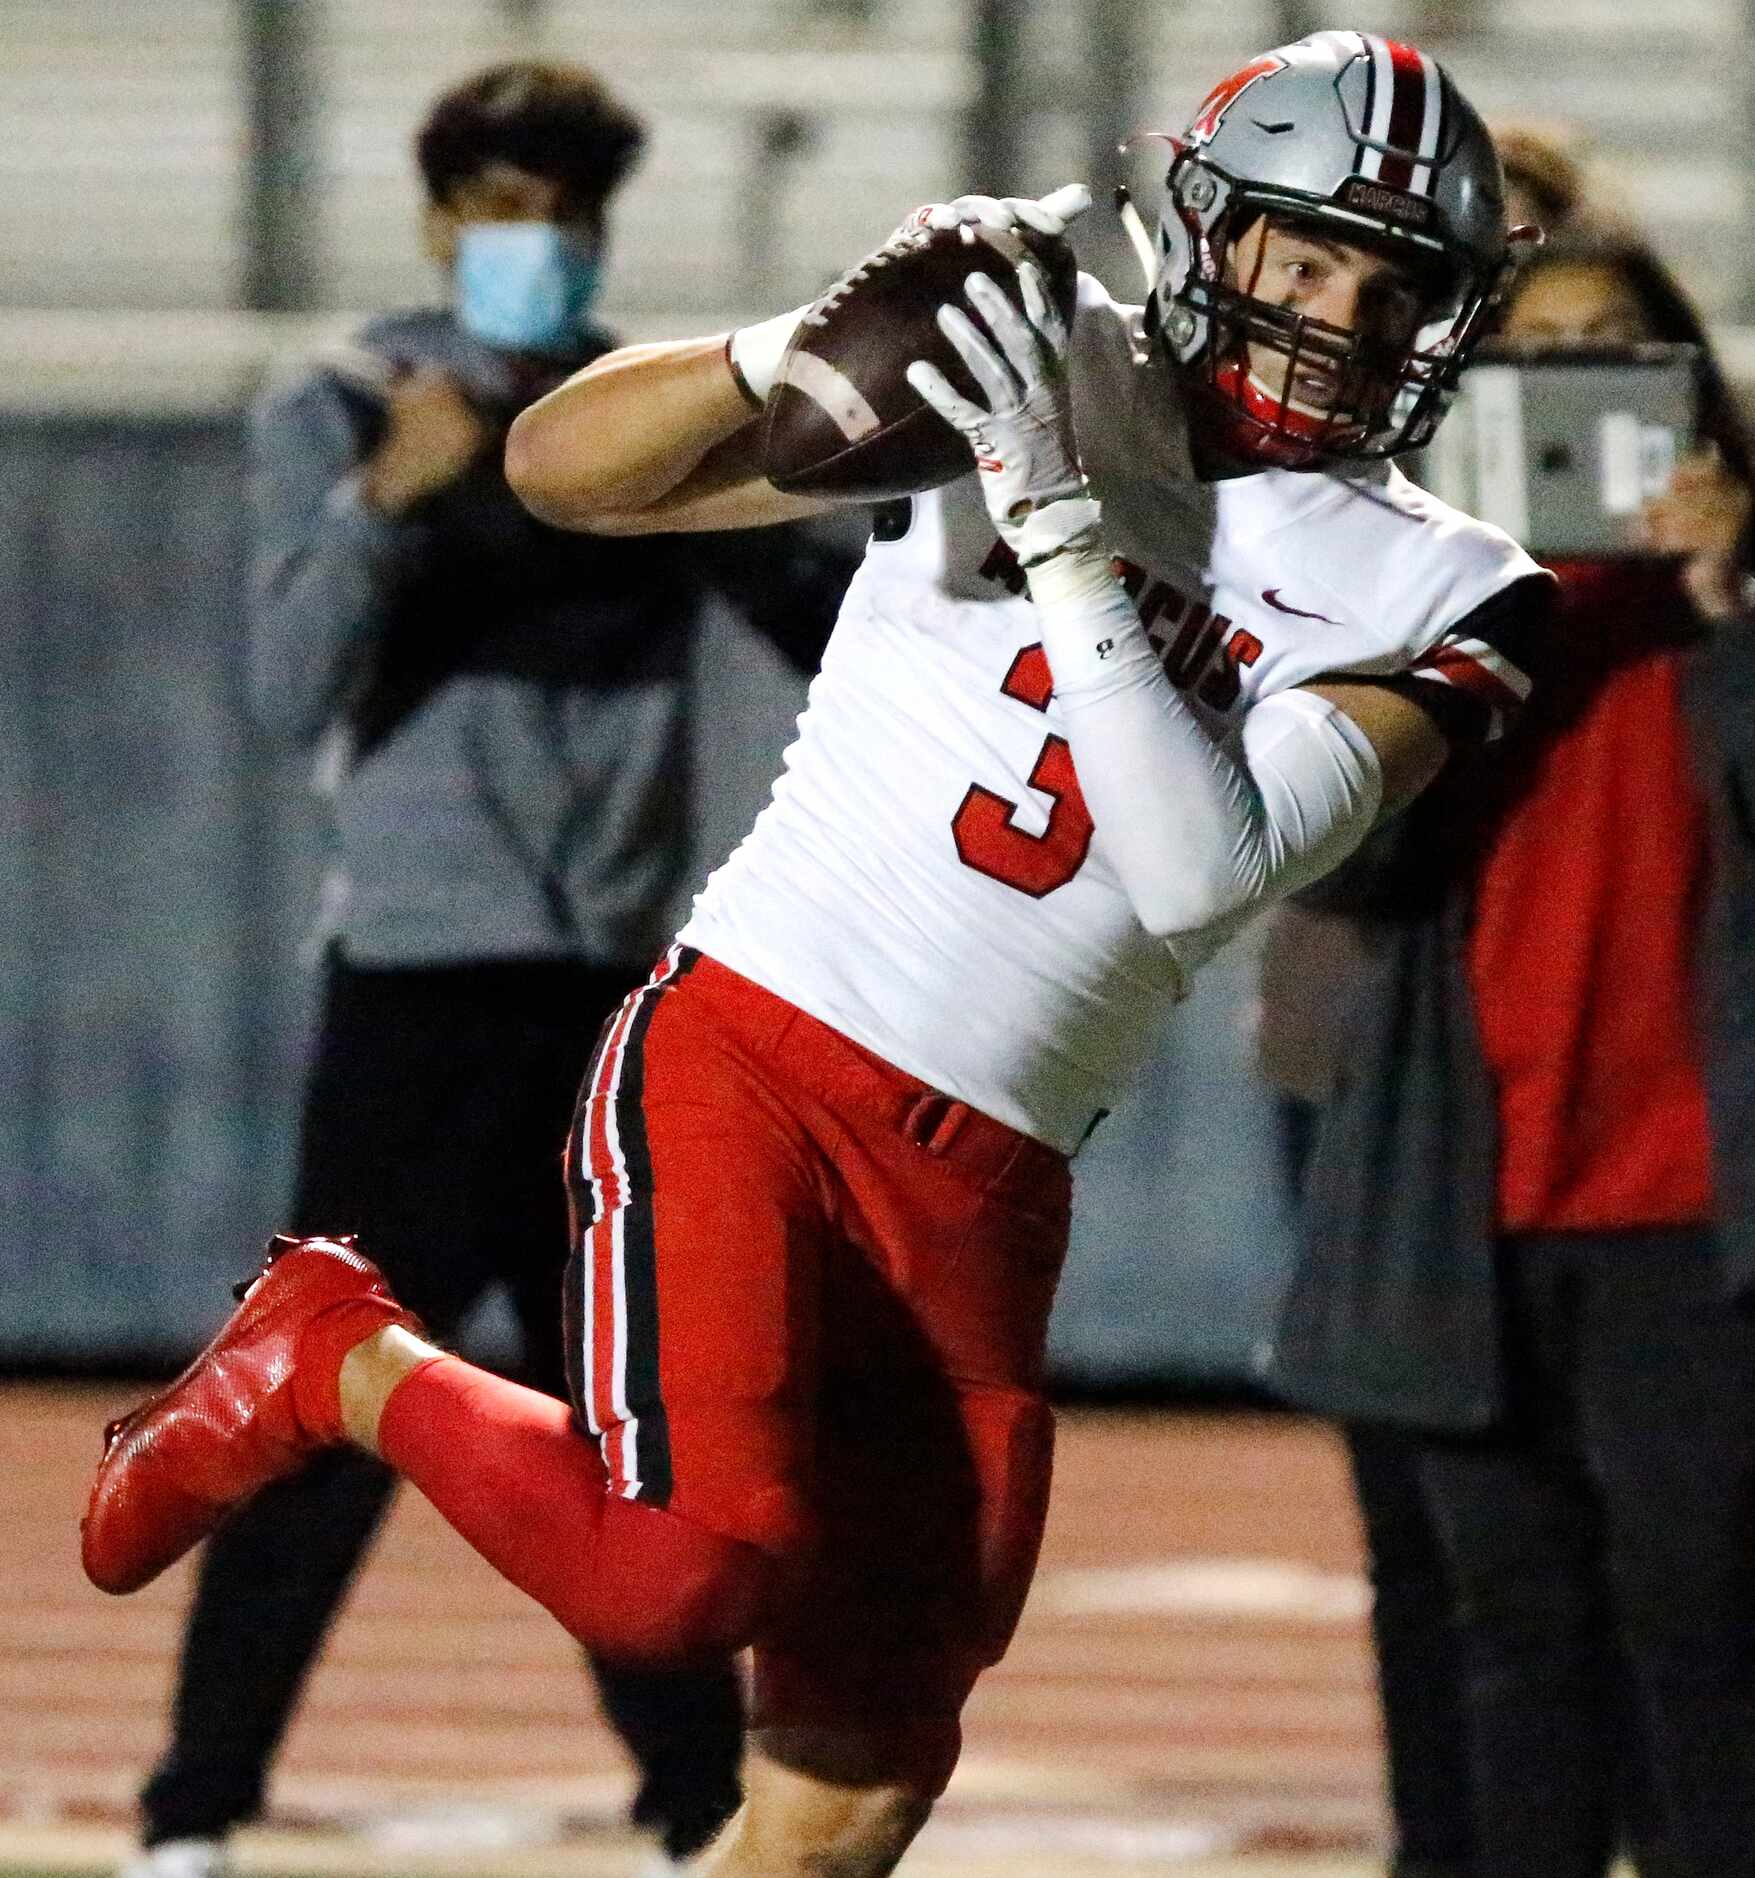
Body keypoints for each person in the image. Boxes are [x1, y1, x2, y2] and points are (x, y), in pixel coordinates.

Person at [84, 33, 1552, 1878]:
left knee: (850, 1786)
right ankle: (334, 1352)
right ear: (1213, 230)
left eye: (1389, 276)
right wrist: (793, 346)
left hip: (996, 1171)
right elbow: (564, 471)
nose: (1340, 313)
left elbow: (1200, 869)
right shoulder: (1039, 354)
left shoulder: (1459, 583)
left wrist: (1064, 532)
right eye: (1307, 253)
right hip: (759, 1057)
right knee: (678, 1573)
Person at [115, 61, 860, 1878]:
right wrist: (390, 498)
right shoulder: (348, 400)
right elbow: (292, 686)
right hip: (419, 979)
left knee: (635, 1428)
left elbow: (825, 618)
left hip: (610, 990)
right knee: (323, 1392)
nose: (535, 246)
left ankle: (696, 1813)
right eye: (504, 211)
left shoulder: (636, 417)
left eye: (568, 217)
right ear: (442, 218)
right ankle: (192, 1818)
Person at [1259, 228, 1755, 1878]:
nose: (1582, 378)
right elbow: (1343, 863)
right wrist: (1450, 632)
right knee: (1509, 1630)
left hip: (1692, 1217)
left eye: (1619, 341)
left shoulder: (1736, 600)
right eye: (1540, 349)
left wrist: (1734, 605)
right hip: (1466, 1209)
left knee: (1706, 1627)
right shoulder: (1431, 600)